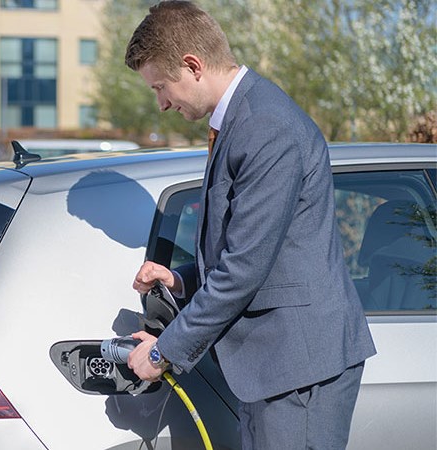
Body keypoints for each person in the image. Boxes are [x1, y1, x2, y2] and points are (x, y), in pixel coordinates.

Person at [123, 1, 376, 448]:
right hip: (273, 368)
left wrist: (163, 352)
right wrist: (181, 280)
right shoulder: (242, 118)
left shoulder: (264, 125)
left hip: (299, 368)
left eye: (161, 86)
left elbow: (244, 267)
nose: (161, 103)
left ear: (193, 65)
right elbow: (250, 250)